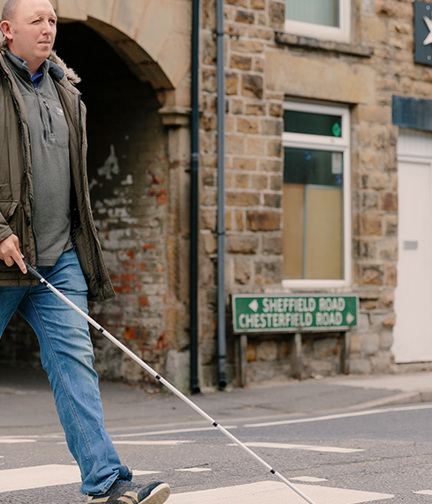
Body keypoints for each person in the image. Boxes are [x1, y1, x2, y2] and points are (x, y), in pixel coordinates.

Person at [0, 0, 170, 503]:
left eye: (53, 20)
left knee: (76, 365)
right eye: (37, 21)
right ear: (7, 31)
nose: (49, 28)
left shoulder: (66, 93)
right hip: (5, 256)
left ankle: (107, 481)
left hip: (58, 259)